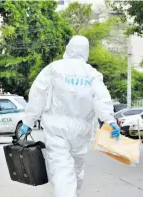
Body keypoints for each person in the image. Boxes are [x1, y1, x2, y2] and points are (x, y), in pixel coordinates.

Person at [21, 35, 120, 197]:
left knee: (61, 170)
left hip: (56, 128)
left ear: (69, 48)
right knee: (76, 168)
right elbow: (102, 98)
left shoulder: (54, 68)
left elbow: (38, 95)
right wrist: (110, 120)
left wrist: (28, 121)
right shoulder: (91, 73)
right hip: (81, 130)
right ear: (85, 52)